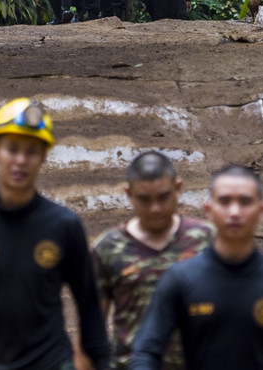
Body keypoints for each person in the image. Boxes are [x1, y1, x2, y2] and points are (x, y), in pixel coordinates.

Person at [0, 98, 111, 370]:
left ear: (44, 156)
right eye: (12, 149)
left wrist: (103, 363)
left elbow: (90, 308)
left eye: (32, 151)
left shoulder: (63, 226)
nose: (21, 160)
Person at [130, 165, 263, 370]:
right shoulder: (181, 278)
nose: (235, 212)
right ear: (209, 209)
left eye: (245, 201)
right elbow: (146, 351)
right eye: (225, 201)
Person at [89, 151, 214, 369]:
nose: (155, 208)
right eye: (144, 199)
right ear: (128, 193)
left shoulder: (207, 240)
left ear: (178, 188)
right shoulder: (108, 249)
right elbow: (92, 329)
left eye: (163, 197)